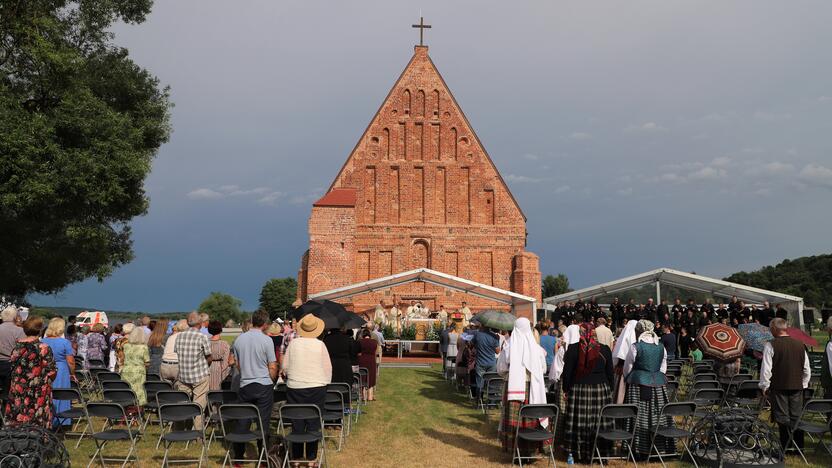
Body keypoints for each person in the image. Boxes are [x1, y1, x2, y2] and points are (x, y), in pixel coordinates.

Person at [282, 314, 332, 463]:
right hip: (317, 386)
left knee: (297, 421)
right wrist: (324, 382)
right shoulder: (320, 345)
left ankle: (296, 457)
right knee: (313, 422)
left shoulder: (294, 344)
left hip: (296, 386)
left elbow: (285, 366)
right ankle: (311, 458)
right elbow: (328, 368)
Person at [562, 322, 614, 463]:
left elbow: (567, 373)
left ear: (581, 333)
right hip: (600, 389)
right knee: (600, 422)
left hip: (579, 389)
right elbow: (610, 373)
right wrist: (610, 390)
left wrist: (566, 389)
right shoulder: (605, 349)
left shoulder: (573, 349)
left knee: (580, 422)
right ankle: (601, 452)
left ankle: (579, 453)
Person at [496, 317, 548, 457]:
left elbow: (500, 369)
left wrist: (512, 371)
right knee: (530, 417)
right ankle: (531, 449)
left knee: (515, 418)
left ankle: (514, 448)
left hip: (513, 388)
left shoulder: (508, 347)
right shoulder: (537, 349)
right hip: (532, 388)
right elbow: (543, 369)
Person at [230, 310, 278, 462]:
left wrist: (246, 371)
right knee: (263, 422)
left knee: (242, 420)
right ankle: (263, 458)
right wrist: (271, 379)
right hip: (263, 384)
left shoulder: (239, 339)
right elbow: (272, 365)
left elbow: (236, 363)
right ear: (264, 324)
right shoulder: (266, 340)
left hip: (246, 383)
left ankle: (238, 456)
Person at [759, 318, 811, 452]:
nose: (770, 331)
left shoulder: (770, 345)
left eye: (771, 328)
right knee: (796, 416)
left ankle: (786, 448)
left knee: (782, 418)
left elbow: (766, 369)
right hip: (797, 387)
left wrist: (764, 386)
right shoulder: (800, 344)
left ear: (775, 329)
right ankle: (799, 448)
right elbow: (807, 369)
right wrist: (803, 384)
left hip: (779, 386)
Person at [623, 320, 673, 458]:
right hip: (658, 385)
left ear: (638, 331)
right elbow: (663, 368)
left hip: (638, 386)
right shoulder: (661, 347)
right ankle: (658, 447)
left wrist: (630, 378)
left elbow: (627, 367)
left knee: (638, 415)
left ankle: (637, 447)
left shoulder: (636, 347)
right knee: (658, 415)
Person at [5, 317, 57, 428]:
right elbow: (51, 371)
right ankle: (38, 442)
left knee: (18, 416)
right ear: (40, 330)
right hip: (38, 389)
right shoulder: (43, 348)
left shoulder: (16, 348)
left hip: (18, 388)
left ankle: (18, 441)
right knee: (37, 421)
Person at [175, 311, 212, 429]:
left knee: (182, 404)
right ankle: (197, 433)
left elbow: (178, 353)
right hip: (199, 375)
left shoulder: (179, 336)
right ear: (200, 323)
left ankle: (180, 428)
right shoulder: (202, 337)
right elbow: (209, 357)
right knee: (199, 405)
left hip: (183, 375)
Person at [42, 317, 75, 428]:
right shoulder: (65, 342)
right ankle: (62, 420)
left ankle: (47, 418)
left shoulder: (42, 341)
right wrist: (73, 373)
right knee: (62, 394)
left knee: (48, 393)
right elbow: (71, 362)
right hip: (61, 369)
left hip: (46, 368)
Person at [120, 325, 150, 405]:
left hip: (126, 370)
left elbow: (123, 358)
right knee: (139, 390)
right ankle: (139, 409)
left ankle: (127, 405)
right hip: (138, 371)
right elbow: (147, 362)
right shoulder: (144, 347)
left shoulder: (126, 346)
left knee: (127, 389)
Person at [0, 307, 24, 398]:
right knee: (9, 394)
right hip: (11, 364)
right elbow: (22, 349)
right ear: (15, 317)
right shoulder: (19, 331)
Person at [611, 319, 637, 404]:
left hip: (623, 370)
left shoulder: (622, 339)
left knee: (620, 393)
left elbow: (616, 357)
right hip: (630, 371)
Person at [471, 326, 501, 398]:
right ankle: (491, 402)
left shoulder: (477, 335)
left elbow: (472, 345)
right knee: (491, 382)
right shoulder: (494, 336)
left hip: (480, 362)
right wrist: (497, 340)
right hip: (491, 363)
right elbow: (497, 351)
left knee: (479, 382)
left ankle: (479, 401)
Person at [207, 320, 231, 390]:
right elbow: (226, 363)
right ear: (220, 330)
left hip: (207, 368)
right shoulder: (225, 344)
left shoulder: (205, 342)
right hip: (220, 369)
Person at [357, 329, 379, 401]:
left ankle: (363, 396)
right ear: (369, 335)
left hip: (362, 361)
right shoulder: (374, 342)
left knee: (363, 377)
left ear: (363, 335)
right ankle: (370, 396)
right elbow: (376, 352)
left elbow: (358, 353)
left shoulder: (359, 342)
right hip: (371, 361)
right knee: (371, 378)